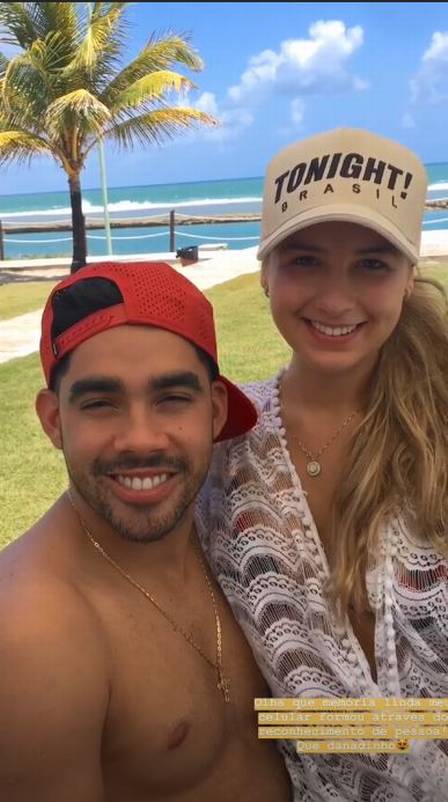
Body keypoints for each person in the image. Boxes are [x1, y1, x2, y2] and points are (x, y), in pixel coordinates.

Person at [196, 128, 448, 801]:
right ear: (265, 272)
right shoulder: (221, 444)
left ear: (408, 276)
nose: (336, 300)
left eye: (371, 265)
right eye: (306, 261)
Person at [0, 261, 292, 802]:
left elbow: (284, 724)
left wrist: (417, 731)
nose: (140, 439)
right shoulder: (30, 635)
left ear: (214, 410)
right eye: (100, 404)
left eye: (172, 398)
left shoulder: (236, 536)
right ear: (54, 420)